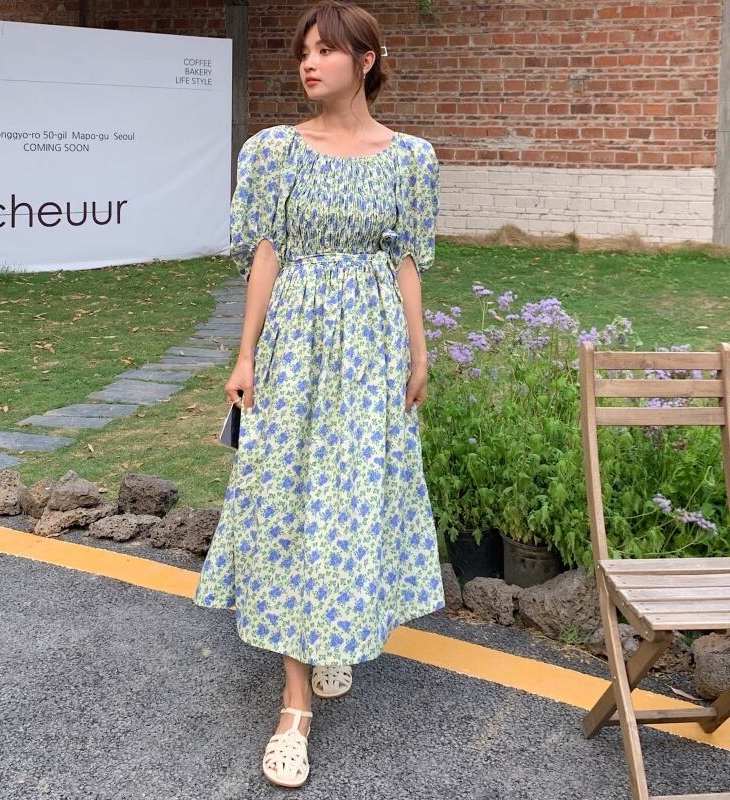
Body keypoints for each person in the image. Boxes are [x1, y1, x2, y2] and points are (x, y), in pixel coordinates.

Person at [193, 0, 444, 788]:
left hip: (372, 349)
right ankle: (295, 704)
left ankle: (333, 630)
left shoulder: (411, 159)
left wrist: (419, 352)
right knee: (288, 498)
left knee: (349, 498)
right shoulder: (274, 151)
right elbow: (265, 255)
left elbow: (406, 260)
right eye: (303, 50)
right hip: (295, 346)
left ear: (365, 61)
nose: (308, 63)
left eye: (326, 51)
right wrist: (245, 356)